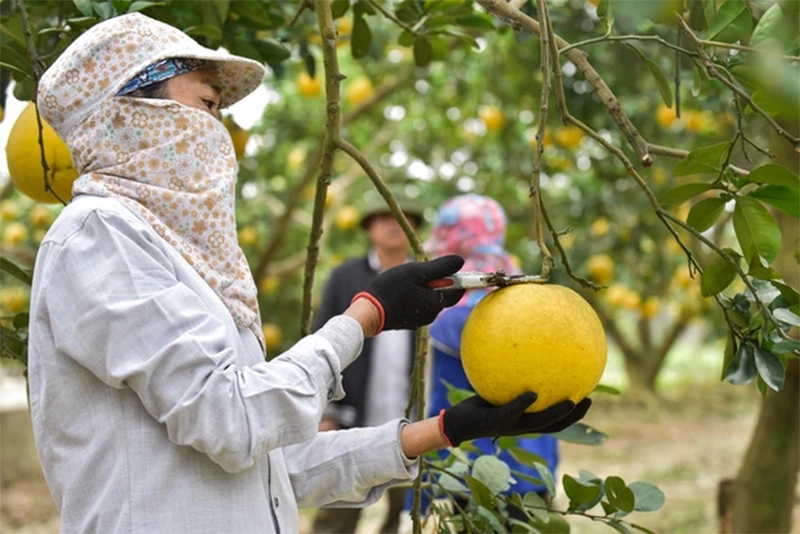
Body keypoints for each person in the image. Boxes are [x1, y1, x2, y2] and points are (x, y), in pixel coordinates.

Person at [28, 13, 590, 534]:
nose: (217, 133)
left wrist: (446, 429)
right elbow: (231, 421)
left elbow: (271, 470)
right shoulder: (100, 237)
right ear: (130, 109)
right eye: (207, 104)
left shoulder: (179, 258)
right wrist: (364, 318)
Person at [419, 194, 569, 524]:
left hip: (467, 469)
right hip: (532, 460)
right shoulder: (534, 299)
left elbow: (441, 400)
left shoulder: (447, 312)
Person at [312, 191, 424, 533]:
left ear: (414, 228)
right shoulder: (346, 277)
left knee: (400, 516)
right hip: (351, 415)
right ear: (369, 228)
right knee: (337, 512)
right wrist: (326, 412)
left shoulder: (426, 280)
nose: (393, 225)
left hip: (411, 419)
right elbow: (321, 343)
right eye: (384, 217)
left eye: (402, 218)